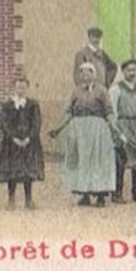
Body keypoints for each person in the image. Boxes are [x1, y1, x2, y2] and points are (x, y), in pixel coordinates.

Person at [50, 61, 117, 206]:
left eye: (89, 72)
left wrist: (114, 128)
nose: (86, 76)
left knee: (98, 162)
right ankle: (84, 194)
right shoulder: (75, 91)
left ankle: (100, 196)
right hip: (79, 131)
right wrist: (58, 128)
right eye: (83, 73)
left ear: (94, 74)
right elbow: (69, 112)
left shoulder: (102, 91)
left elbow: (109, 111)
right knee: (82, 161)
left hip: (98, 130)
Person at [0, 75, 45, 209]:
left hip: (29, 143)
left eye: (23, 87)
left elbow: (37, 123)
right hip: (11, 144)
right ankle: (11, 199)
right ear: (14, 88)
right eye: (18, 87)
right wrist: (13, 138)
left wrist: (29, 137)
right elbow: (4, 124)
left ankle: (28, 199)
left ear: (27, 88)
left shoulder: (32, 104)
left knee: (27, 171)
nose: (21, 90)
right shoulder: (8, 105)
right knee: (12, 171)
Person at [109, 58, 136, 203]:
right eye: (129, 70)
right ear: (123, 72)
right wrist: (116, 131)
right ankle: (117, 194)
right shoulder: (116, 89)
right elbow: (113, 111)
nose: (132, 73)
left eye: (135, 70)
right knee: (120, 162)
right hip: (124, 126)